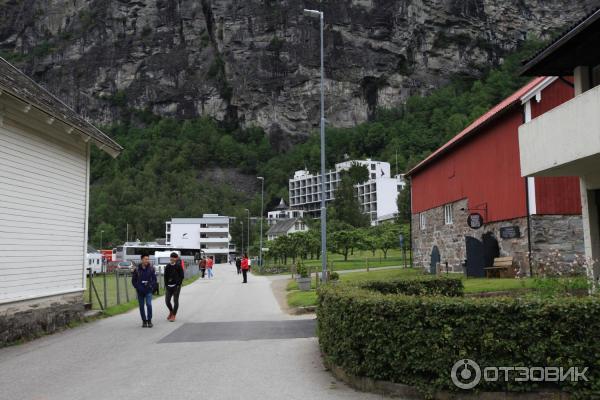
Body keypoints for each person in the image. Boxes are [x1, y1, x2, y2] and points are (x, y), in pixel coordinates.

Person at [132, 254, 157, 328]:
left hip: (148, 290)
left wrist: (151, 286)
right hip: (140, 291)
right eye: (146, 259)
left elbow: (154, 280)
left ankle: (149, 320)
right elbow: (133, 281)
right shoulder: (137, 270)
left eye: (148, 259)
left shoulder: (151, 269)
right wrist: (137, 287)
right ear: (142, 260)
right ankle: (144, 321)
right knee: (141, 306)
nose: (147, 260)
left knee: (149, 304)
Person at [165, 252, 184, 322]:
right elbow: (165, 277)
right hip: (168, 286)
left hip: (176, 287)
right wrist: (166, 285)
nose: (172, 258)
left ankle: (173, 315)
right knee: (167, 301)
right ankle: (171, 311)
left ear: (176, 258)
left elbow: (182, 276)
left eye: (174, 257)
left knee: (175, 301)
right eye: (171, 257)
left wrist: (178, 284)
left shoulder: (178, 266)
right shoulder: (167, 266)